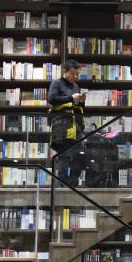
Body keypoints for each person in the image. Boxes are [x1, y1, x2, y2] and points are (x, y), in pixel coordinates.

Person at [48, 59, 86, 187]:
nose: (75, 77)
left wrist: (81, 101)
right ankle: (61, 187)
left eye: (77, 74)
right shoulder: (56, 83)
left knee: (80, 155)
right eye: (73, 73)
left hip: (77, 126)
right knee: (64, 157)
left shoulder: (76, 86)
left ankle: (72, 183)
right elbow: (52, 99)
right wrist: (71, 98)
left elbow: (78, 106)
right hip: (62, 127)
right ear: (65, 71)